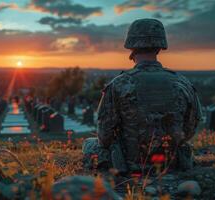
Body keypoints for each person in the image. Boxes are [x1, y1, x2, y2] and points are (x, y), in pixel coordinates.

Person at [82, 18, 202, 174]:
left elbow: (104, 137)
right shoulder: (183, 83)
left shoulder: (119, 84)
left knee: (89, 144)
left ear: (131, 46)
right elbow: (189, 130)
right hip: (171, 163)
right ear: (160, 47)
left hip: (130, 165)